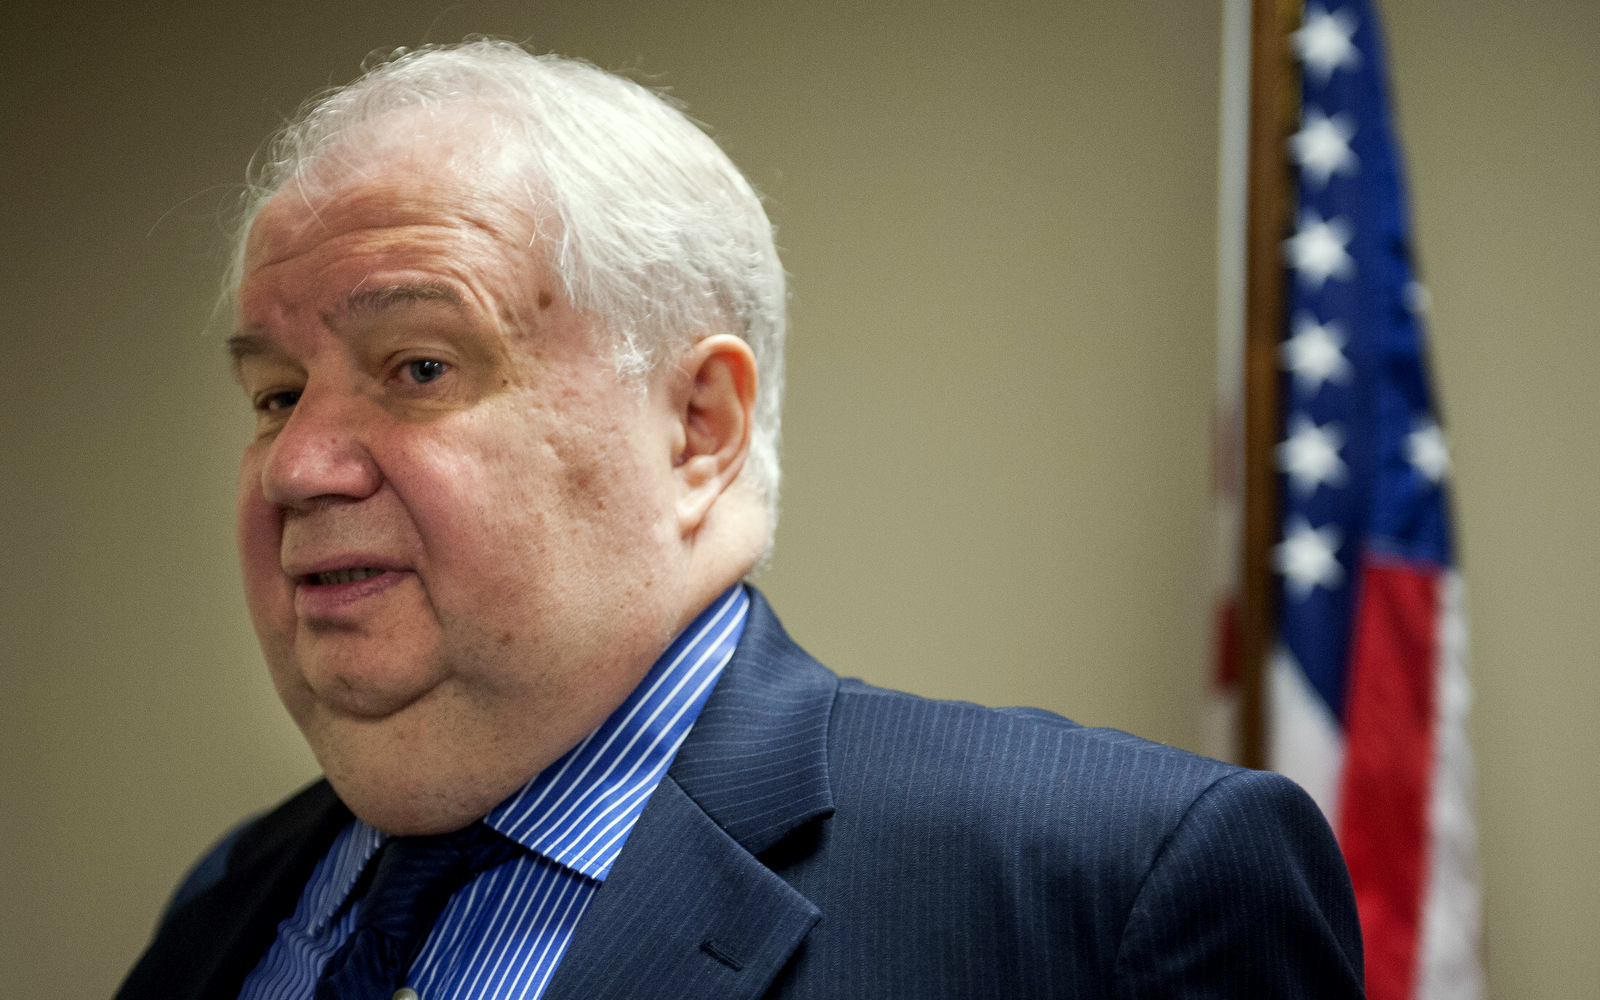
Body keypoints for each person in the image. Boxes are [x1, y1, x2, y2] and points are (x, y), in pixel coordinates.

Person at [117, 40, 1364, 1000]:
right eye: (274, 394)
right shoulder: (226, 904)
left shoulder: (1107, 896)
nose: (299, 465)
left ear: (699, 427)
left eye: (418, 367)